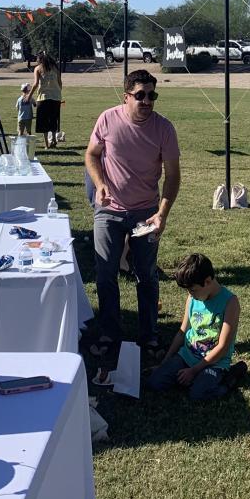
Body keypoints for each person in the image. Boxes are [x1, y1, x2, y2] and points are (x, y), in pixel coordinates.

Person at [84, 69, 181, 363]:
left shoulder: (164, 128)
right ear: (126, 96)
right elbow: (91, 154)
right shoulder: (107, 119)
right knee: (105, 274)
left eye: (152, 95)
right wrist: (100, 184)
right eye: (140, 95)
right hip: (109, 211)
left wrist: (162, 213)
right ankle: (109, 334)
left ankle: (149, 335)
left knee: (147, 276)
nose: (147, 101)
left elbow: (173, 175)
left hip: (146, 213)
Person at [147, 253, 246, 400]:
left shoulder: (230, 302)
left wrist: (193, 371)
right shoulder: (192, 298)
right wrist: (164, 363)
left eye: (193, 290)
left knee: (197, 394)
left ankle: (230, 378)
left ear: (207, 281)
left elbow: (223, 347)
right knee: (155, 382)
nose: (191, 295)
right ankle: (193, 379)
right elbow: (182, 332)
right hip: (187, 357)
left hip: (214, 363)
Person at [31, 50, 63, 149]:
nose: (36, 60)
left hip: (43, 97)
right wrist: (58, 93)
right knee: (53, 120)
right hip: (56, 97)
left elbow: (35, 84)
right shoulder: (55, 68)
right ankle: (53, 140)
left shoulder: (38, 68)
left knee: (43, 122)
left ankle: (46, 144)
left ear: (40, 59)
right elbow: (60, 83)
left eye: (37, 58)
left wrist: (29, 96)